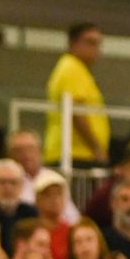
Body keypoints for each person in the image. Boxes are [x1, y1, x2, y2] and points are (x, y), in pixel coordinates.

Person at [44, 23, 109, 168]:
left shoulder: (77, 70)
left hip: (78, 152)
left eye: (98, 43)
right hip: (75, 154)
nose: (95, 49)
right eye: (90, 42)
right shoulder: (72, 68)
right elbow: (76, 111)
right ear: (72, 43)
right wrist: (96, 147)